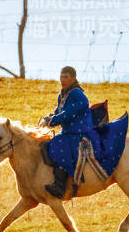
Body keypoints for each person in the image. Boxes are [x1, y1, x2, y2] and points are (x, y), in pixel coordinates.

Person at [40, 66, 103, 198]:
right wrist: (47, 118)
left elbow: (69, 114)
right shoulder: (62, 94)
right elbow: (58, 112)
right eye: (61, 77)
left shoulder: (77, 94)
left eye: (66, 77)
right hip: (68, 132)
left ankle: (60, 187)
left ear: (73, 78)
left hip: (80, 133)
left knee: (58, 146)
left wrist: (51, 121)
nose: (62, 80)